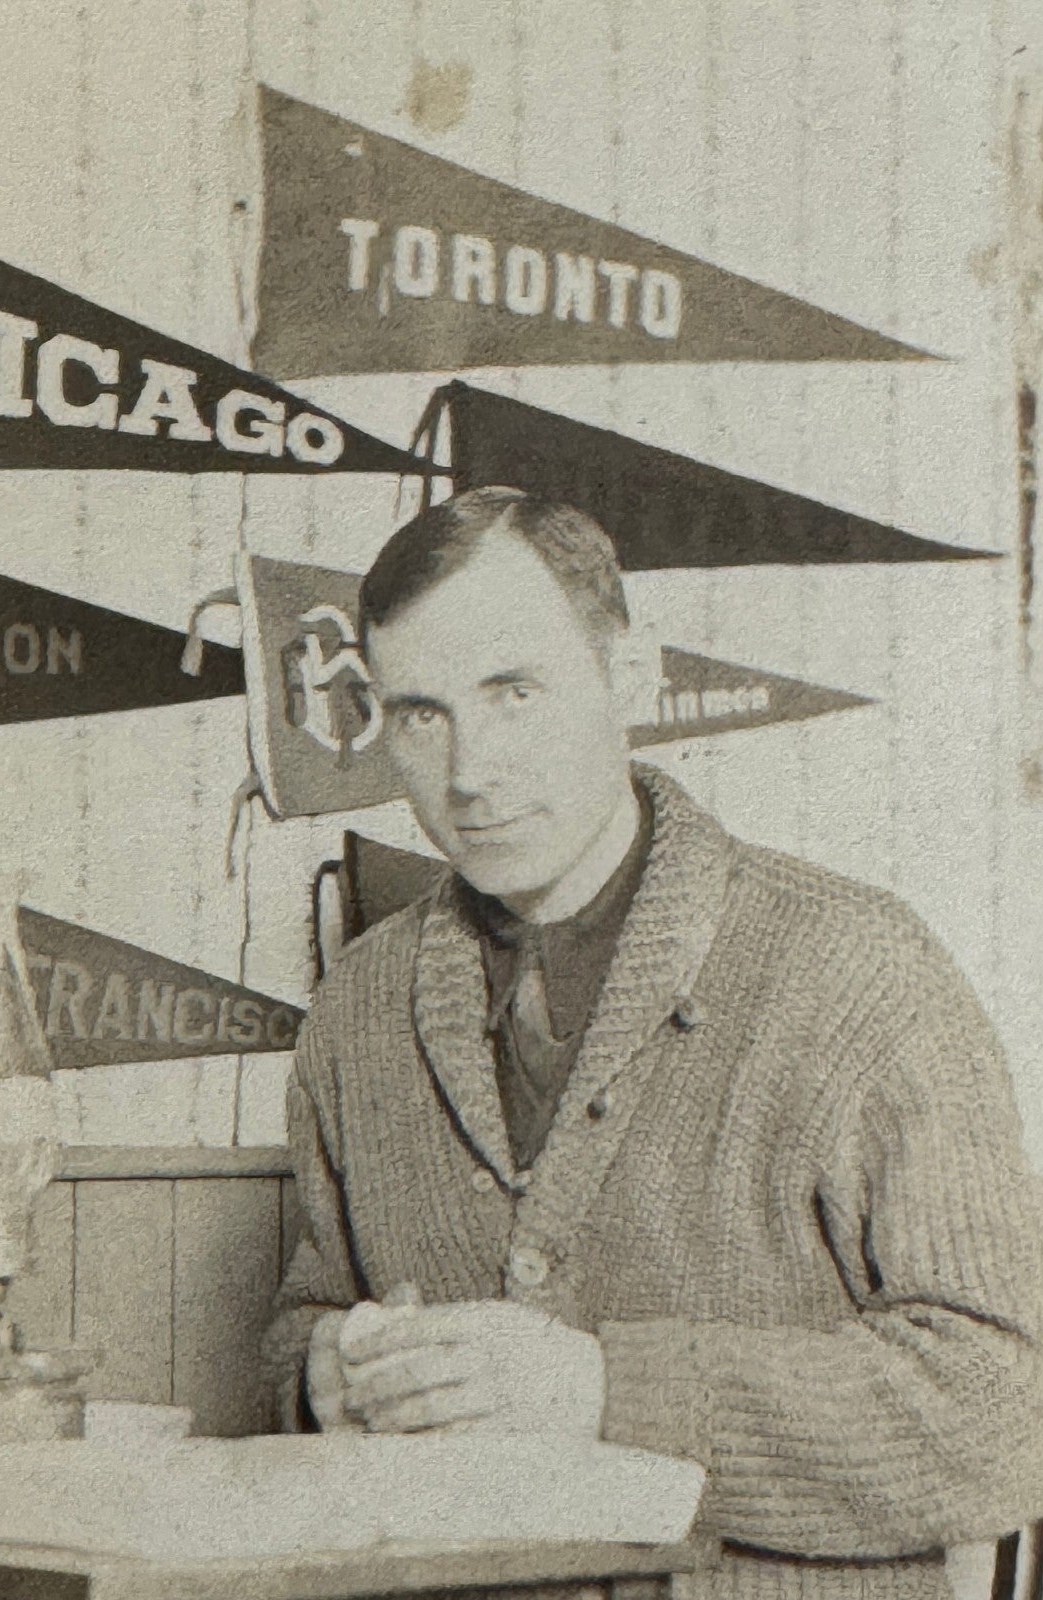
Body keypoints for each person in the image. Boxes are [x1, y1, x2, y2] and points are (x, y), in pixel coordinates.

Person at [263, 485, 1043, 1600]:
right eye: (421, 715)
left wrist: (600, 1391)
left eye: (514, 692)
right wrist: (321, 1377)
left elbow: (1003, 1414)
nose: (470, 769)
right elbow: (305, 1313)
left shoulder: (858, 970)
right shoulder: (359, 1007)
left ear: (630, 678)